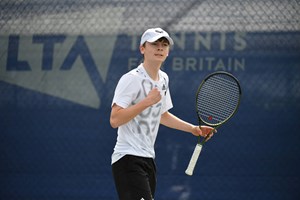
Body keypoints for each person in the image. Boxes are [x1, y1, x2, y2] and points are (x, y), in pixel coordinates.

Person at [110, 27, 215, 200]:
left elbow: (161, 115)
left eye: (164, 45)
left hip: (148, 159)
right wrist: (147, 102)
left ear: (168, 52)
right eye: (155, 44)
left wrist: (193, 129)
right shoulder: (131, 79)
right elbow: (115, 119)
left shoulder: (164, 79)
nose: (160, 48)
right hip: (127, 158)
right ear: (142, 49)